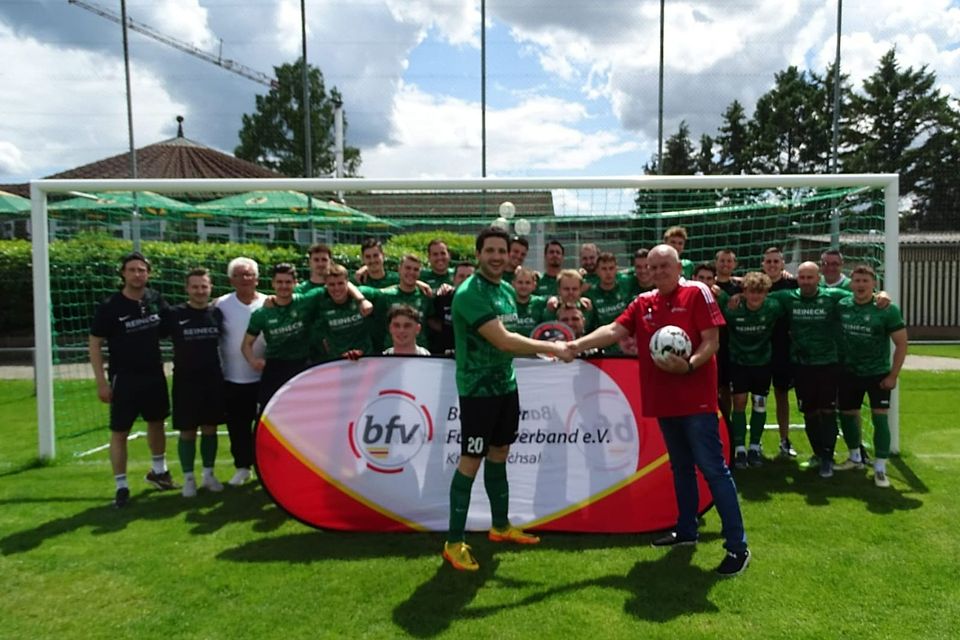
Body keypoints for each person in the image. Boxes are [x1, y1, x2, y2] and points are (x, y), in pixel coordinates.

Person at [569, 244, 750, 577]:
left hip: (696, 401)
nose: (658, 272)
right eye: (652, 267)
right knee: (680, 468)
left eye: (665, 266)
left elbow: (712, 341)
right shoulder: (643, 302)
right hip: (663, 401)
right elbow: (613, 330)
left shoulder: (697, 293)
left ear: (679, 266)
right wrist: (575, 345)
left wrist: (690, 365)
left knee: (713, 469)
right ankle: (686, 530)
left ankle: (737, 546)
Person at [443, 226, 573, 572]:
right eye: (491, 251)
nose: (498, 256)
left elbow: (510, 338)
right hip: (477, 390)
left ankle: (500, 527)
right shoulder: (469, 293)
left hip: (506, 386)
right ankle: (453, 542)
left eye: (503, 250)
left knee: (500, 452)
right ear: (478, 254)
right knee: (471, 460)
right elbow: (503, 341)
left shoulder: (504, 289)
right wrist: (552, 347)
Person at [89, 252, 175, 508]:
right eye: (132, 270)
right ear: (123, 273)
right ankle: (121, 486)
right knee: (119, 432)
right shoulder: (110, 307)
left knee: (157, 422)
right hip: (124, 378)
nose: (137, 274)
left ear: (148, 273)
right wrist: (101, 382)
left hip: (154, 375)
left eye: (142, 270)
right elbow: (94, 344)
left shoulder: (155, 299)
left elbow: (174, 322)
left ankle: (159, 472)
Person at [767, 262, 854, 478]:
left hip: (828, 363)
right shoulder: (788, 297)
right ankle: (817, 453)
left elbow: (861, 295)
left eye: (810, 277)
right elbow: (756, 294)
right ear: (798, 278)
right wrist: (737, 294)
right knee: (809, 411)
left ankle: (828, 456)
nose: (806, 281)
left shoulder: (832, 296)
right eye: (802, 277)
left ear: (818, 278)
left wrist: (882, 296)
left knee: (827, 410)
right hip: (801, 365)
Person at [835, 265, 907, 487]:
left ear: (874, 284)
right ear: (851, 284)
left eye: (865, 281)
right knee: (847, 414)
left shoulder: (886, 309)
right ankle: (855, 456)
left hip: (877, 373)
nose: (860, 285)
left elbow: (901, 343)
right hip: (849, 371)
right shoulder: (842, 304)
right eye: (856, 281)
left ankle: (880, 467)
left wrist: (893, 375)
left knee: (879, 417)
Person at [166, 268, 225, 497]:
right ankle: (189, 478)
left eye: (204, 286)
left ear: (210, 288)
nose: (200, 291)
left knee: (210, 427)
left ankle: (208, 475)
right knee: (188, 431)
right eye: (195, 286)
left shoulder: (217, 313)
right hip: (185, 380)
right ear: (187, 289)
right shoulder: (174, 314)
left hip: (212, 379)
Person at [718, 272, 786, 469]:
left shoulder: (773, 307)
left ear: (766, 293)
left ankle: (755, 446)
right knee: (739, 401)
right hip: (738, 362)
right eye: (751, 291)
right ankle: (739, 448)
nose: (755, 296)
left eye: (760, 292)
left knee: (760, 403)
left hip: (762, 362)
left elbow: (792, 295)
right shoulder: (732, 308)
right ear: (744, 291)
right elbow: (716, 291)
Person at [215, 257, 266, 487]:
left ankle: (265, 468)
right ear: (230, 279)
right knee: (238, 427)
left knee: (266, 429)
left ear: (257, 278)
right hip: (233, 378)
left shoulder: (269, 302)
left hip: (265, 377)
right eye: (239, 274)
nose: (245, 279)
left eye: (249, 274)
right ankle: (242, 468)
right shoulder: (219, 305)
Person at [242, 264, 318, 414]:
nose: (284, 286)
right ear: (273, 283)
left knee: (304, 414)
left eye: (288, 282)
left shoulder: (305, 302)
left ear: (295, 283)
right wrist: (253, 360)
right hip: (275, 368)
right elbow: (246, 344)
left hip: (302, 366)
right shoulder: (262, 313)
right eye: (280, 282)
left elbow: (335, 284)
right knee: (268, 414)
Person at [762, 247, 799, 458]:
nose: (772, 265)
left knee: (781, 395)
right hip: (757, 349)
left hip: (783, 349)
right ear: (763, 264)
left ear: (782, 264)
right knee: (748, 398)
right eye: (769, 262)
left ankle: (784, 440)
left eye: (776, 261)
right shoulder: (755, 283)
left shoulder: (792, 284)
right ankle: (747, 444)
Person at [313, 264, 381, 360]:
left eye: (340, 283)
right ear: (326, 284)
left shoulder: (364, 293)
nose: (336, 288)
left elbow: (389, 292)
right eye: (332, 284)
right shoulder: (320, 301)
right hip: (338, 361)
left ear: (348, 283)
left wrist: (362, 300)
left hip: (366, 358)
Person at [375, 254, 435, 352]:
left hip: (419, 354)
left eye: (416, 269)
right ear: (399, 269)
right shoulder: (386, 296)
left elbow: (431, 322)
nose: (411, 272)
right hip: (392, 353)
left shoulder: (425, 295)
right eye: (407, 268)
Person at [585, 252, 631, 353]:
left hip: (627, 348)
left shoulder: (626, 285)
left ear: (616, 269)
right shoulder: (591, 294)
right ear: (597, 271)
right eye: (604, 269)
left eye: (611, 268)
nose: (608, 273)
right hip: (603, 349)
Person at [428, 261, 475, 354]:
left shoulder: (482, 302)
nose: (465, 279)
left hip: (473, 355)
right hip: (444, 355)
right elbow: (431, 319)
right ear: (453, 279)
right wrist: (447, 330)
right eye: (461, 276)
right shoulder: (442, 297)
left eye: (469, 276)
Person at [512, 267, 547, 337]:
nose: (523, 286)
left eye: (527, 283)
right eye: (520, 282)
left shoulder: (541, 302)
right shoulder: (507, 303)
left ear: (534, 285)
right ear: (513, 284)